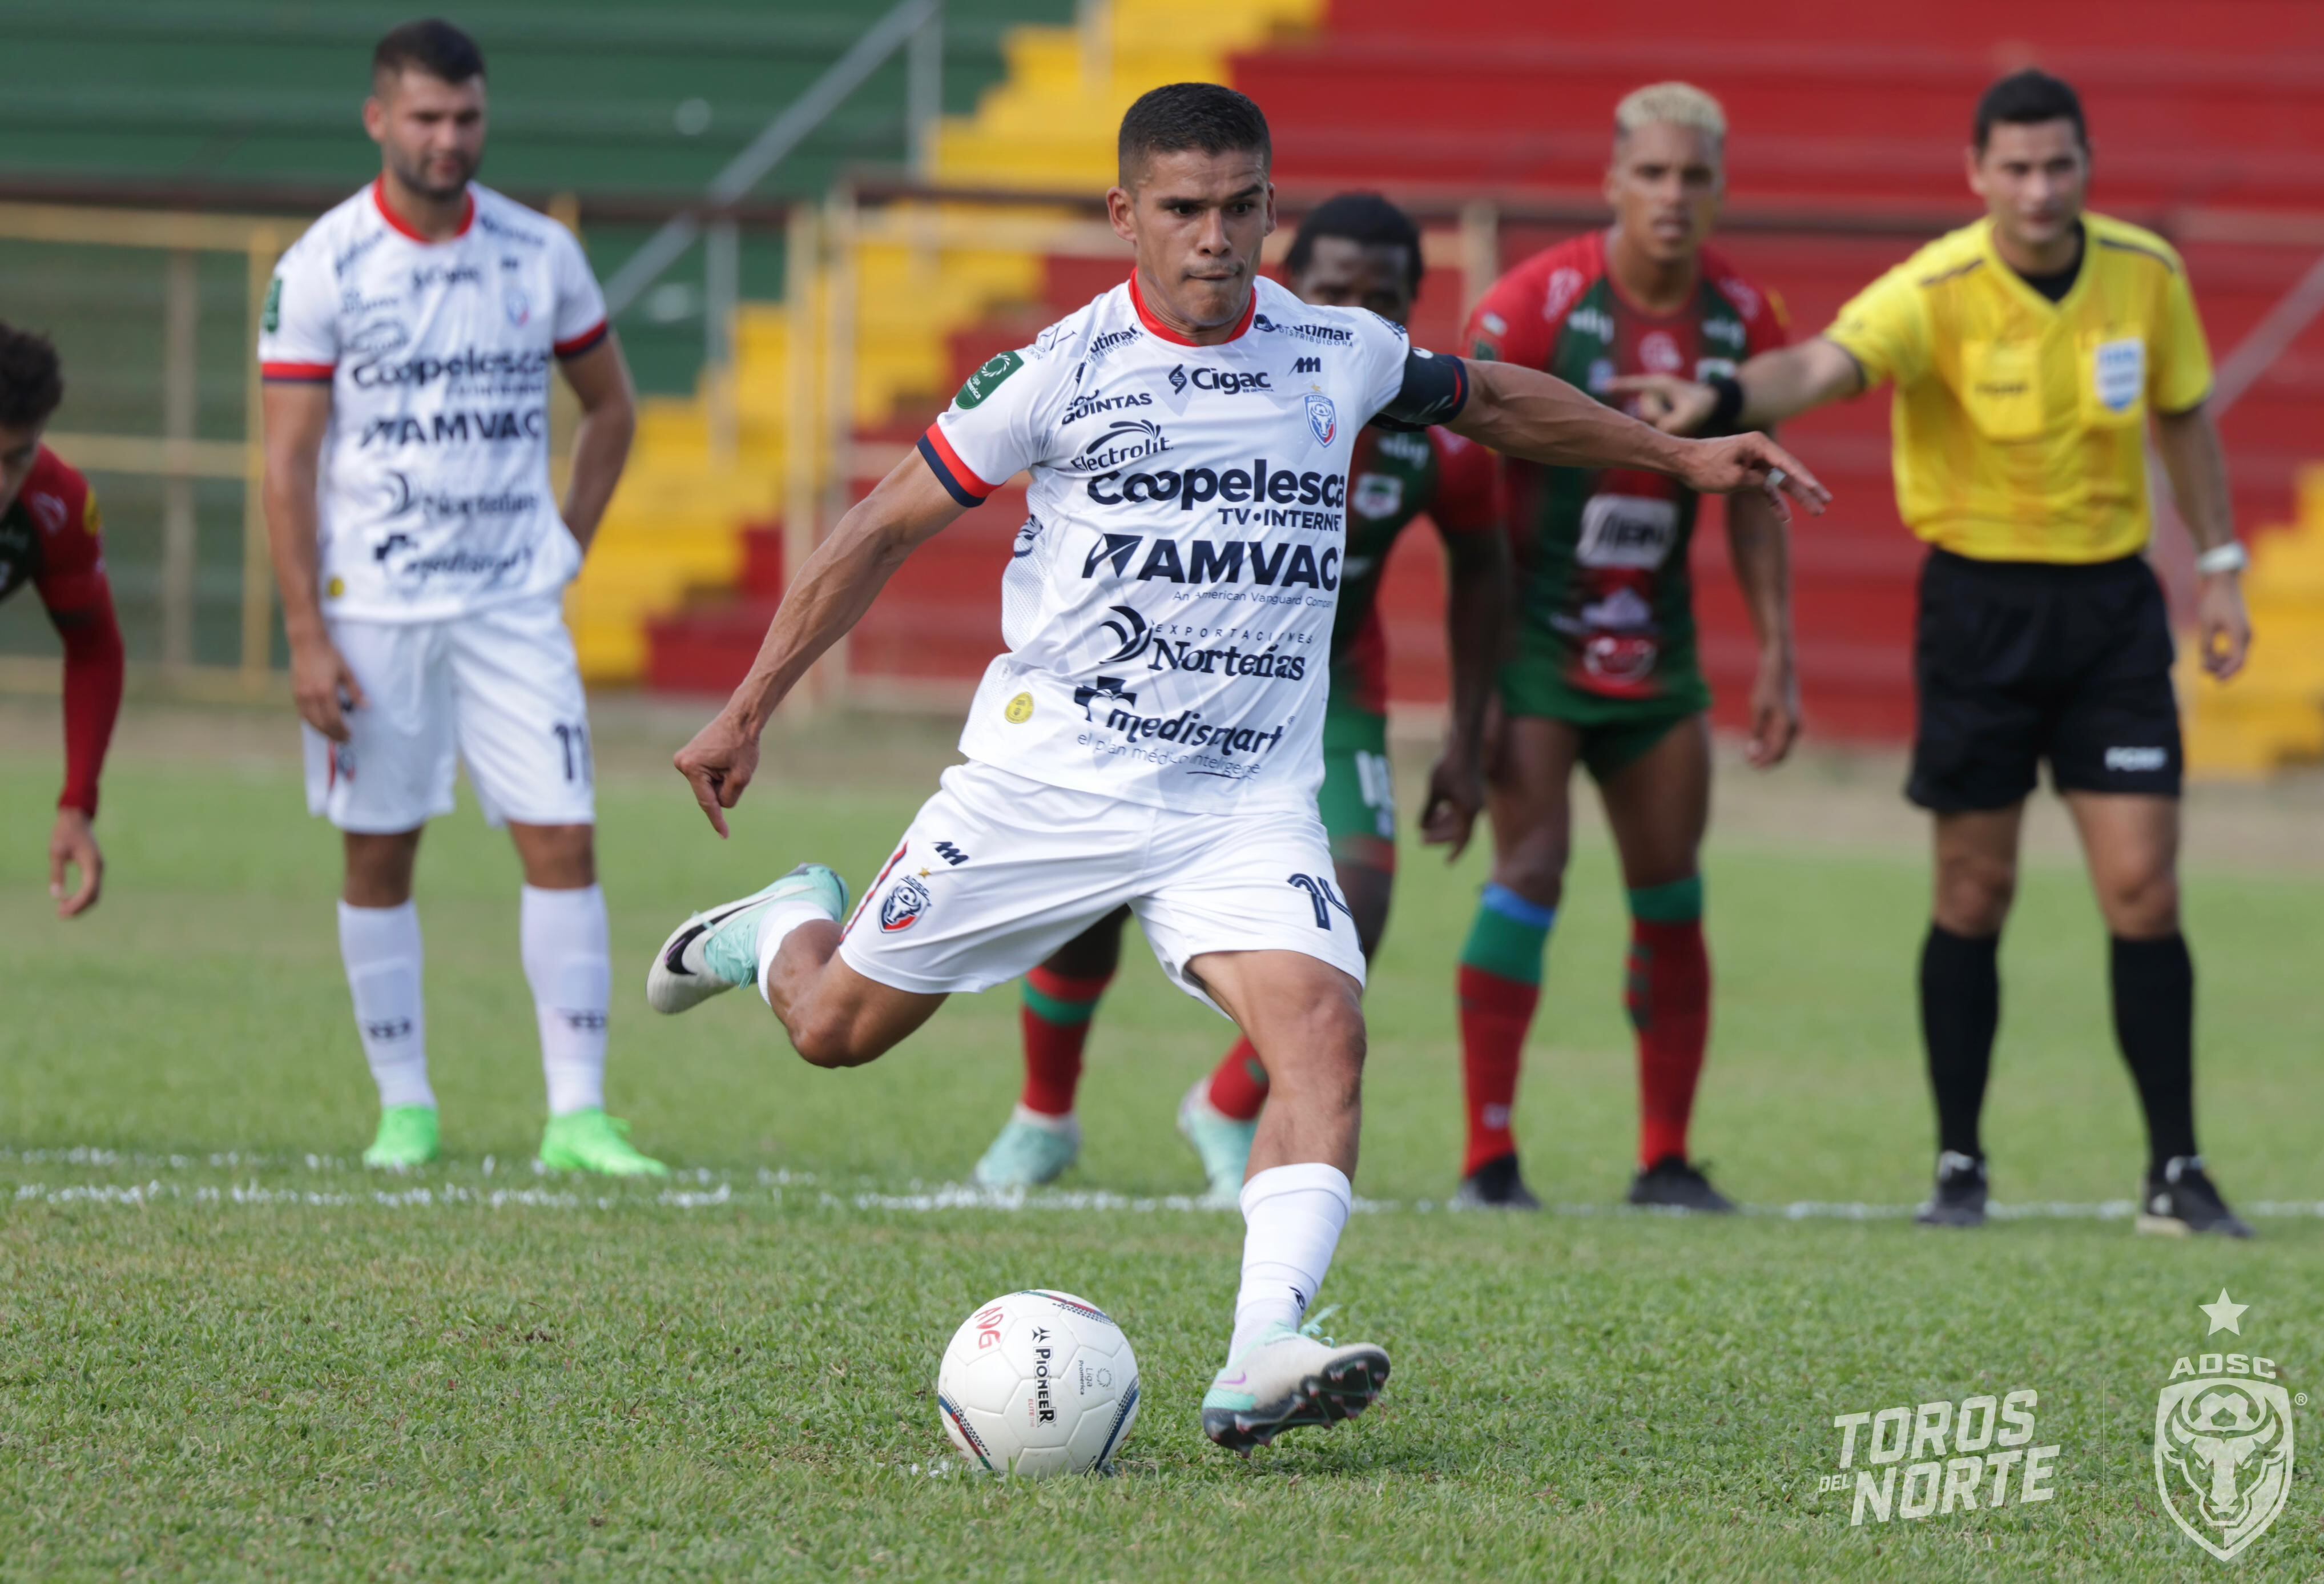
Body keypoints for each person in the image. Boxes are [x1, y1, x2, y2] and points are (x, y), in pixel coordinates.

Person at [647, 82, 1824, 1450]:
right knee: (831, 1032)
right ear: (1127, 217)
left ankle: (1262, 1346)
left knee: (1324, 1030)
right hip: (1047, 784)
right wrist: (748, 708)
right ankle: (785, 920)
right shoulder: (1058, 370)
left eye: (1241, 207)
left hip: (1240, 802)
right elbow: (875, 531)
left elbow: (1496, 401)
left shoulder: (1338, 349)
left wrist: (1677, 455)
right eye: (1184, 210)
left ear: (1272, 210)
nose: (1216, 238)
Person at [1613, 70, 2253, 1236]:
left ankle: (2177, 1170)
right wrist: (1715, 395)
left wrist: (2217, 565)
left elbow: (2183, 415)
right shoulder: (1937, 286)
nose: (2038, 187)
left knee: (2143, 888)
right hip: (1976, 611)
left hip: (2111, 613)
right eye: (2014, 166)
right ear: (1976, 173)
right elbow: (1820, 366)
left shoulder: (2145, 276)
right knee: (1973, 887)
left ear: (2085, 165)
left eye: (2058, 164)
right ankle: (1959, 1165)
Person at [969, 191, 1509, 1199]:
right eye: (1333, 289)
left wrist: (1469, 738)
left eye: (1380, 297)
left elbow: (1484, 569)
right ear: (1290, 286)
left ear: (1408, 305)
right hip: (1147, 681)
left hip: (1326, 688)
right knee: (1086, 889)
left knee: (1359, 901)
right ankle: (1044, 1115)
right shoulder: (1215, 389)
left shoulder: (1427, 429)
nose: (1355, 310)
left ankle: (1225, 1101)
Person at [259, 19, 653, 1175]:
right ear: (379, 119)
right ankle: (405, 1107)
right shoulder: (322, 264)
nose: (448, 139)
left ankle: (577, 1116)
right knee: (377, 854)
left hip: (509, 608)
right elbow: (285, 462)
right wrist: (305, 635)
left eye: (466, 118)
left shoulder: (540, 253)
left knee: (563, 840)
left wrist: (561, 549)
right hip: (370, 613)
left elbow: (611, 410)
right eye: (425, 119)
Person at [1449, 83, 1800, 1213]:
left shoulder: (1744, 317)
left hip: (1657, 657)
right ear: (1611, 184)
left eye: (1694, 176)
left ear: (1720, 190)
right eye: (1650, 173)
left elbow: (1755, 495)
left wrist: (1776, 653)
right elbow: (1469, 483)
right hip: (1538, 649)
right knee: (1531, 871)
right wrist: (1479, 689)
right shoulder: (1535, 303)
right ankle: (1487, 1159)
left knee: (1671, 893)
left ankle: (1666, 1157)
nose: (1672, 196)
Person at [0, 323, 123, 919]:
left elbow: (95, 649)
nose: (2, 484)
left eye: (17, 457)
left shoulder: (58, 508)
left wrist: (78, 802)